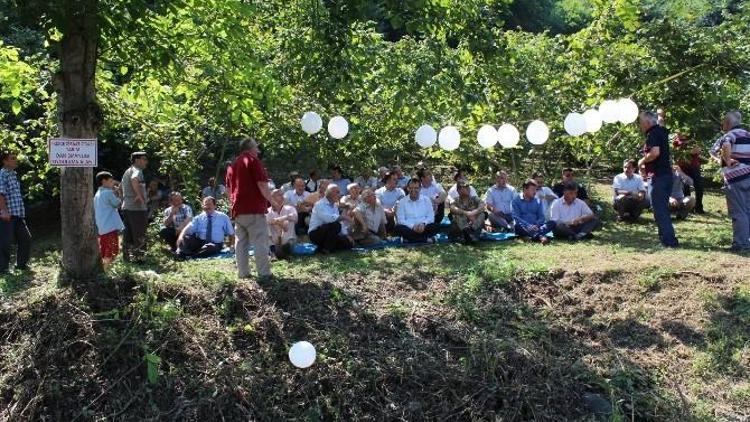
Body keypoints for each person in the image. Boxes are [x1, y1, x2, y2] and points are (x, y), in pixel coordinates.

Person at [226, 137, 279, 279]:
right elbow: (262, 184)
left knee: (241, 243)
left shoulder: (233, 165)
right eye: (256, 147)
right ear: (249, 149)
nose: (258, 150)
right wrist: (272, 201)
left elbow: (227, 190)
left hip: (238, 210)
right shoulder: (253, 161)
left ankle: (243, 273)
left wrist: (233, 205)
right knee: (260, 241)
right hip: (253, 208)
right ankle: (264, 274)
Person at [709, 111, 750, 251]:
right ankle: (746, 240)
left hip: (736, 178)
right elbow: (713, 152)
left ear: (727, 123)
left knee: (738, 211)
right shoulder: (748, 135)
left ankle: (741, 244)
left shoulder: (729, 135)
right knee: (747, 210)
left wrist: (727, 161)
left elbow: (726, 145)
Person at [638, 111, 679, 248]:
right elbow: (660, 121)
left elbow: (655, 152)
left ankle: (669, 241)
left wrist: (641, 161)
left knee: (659, 210)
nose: (640, 125)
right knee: (661, 209)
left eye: (641, 122)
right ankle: (665, 238)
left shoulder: (652, 133)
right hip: (666, 176)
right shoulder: (661, 131)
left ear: (648, 123)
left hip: (658, 177)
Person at [0, 152, 31, 274]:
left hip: (17, 214)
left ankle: (21, 266)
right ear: (5, 161)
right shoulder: (2, 174)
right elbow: (0, 194)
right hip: (7, 215)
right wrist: (3, 211)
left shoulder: (13, 174)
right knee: (4, 242)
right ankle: (3, 270)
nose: (15, 160)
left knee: (26, 239)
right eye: (12, 158)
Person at [120, 151, 149, 263]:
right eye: (144, 159)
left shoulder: (128, 171)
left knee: (128, 234)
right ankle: (140, 259)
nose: (146, 162)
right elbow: (134, 179)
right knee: (140, 233)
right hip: (136, 208)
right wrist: (139, 195)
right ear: (137, 160)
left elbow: (121, 188)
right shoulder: (137, 171)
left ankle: (127, 258)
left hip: (127, 207)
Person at [308, 184, 354, 253]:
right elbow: (328, 219)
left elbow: (340, 222)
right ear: (330, 193)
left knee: (348, 243)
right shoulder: (319, 204)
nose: (339, 194)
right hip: (316, 234)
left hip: (329, 234)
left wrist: (346, 235)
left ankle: (323, 247)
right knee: (335, 225)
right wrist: (345, 217)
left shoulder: (334, 206)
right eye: (337, 192)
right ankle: (327, 249)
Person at [93, 172, 124, 268]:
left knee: (104, 250)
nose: (113, 184)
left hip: (102, 227)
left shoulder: (97, 194)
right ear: (104, 181)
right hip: (110, 227)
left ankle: (104, 269)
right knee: (112, 251)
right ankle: (107, 271)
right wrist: (120, 193)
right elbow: (117, 204)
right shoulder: (108, 192)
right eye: (111, 181)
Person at [395, 178, 439, 243]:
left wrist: (423, 224)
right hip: (409, 228)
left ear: (420, 188)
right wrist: (413, 227)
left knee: (435, 226)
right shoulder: (402, 202)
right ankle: (427, 240)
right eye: (411, 188)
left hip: (424, 227)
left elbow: (431, 217)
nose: (413, 190)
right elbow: (401, 220)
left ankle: (408, 239)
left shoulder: (426, 200)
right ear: (407, 188)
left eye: (416, 188)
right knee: (398, 228)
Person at [512, 179, 556, 244]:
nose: (535, 192)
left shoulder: (538, 200)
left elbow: (542, 217)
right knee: (517, 226)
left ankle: (531, 236)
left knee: (552, 223)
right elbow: (516, 217)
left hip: (537, 227)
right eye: (533, 189)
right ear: (525, 189)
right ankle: (540, 237)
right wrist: (529, 226)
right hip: (524, 226)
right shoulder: (516, 201)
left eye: (536, 189)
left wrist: (536, 225)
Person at [266, 189, 298, 259]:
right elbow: (264, 223)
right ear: (272, 198)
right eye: (279, 195)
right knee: (266, 225)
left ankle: (284, 249)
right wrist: (276, 223)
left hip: (287, 239)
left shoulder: (290, 208)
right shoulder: (267, 211)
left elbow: (295, 218)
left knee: (289, 221)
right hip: (274, 240)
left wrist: (281, 219)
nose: (282, 197)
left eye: (282, 195)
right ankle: (273, 251)